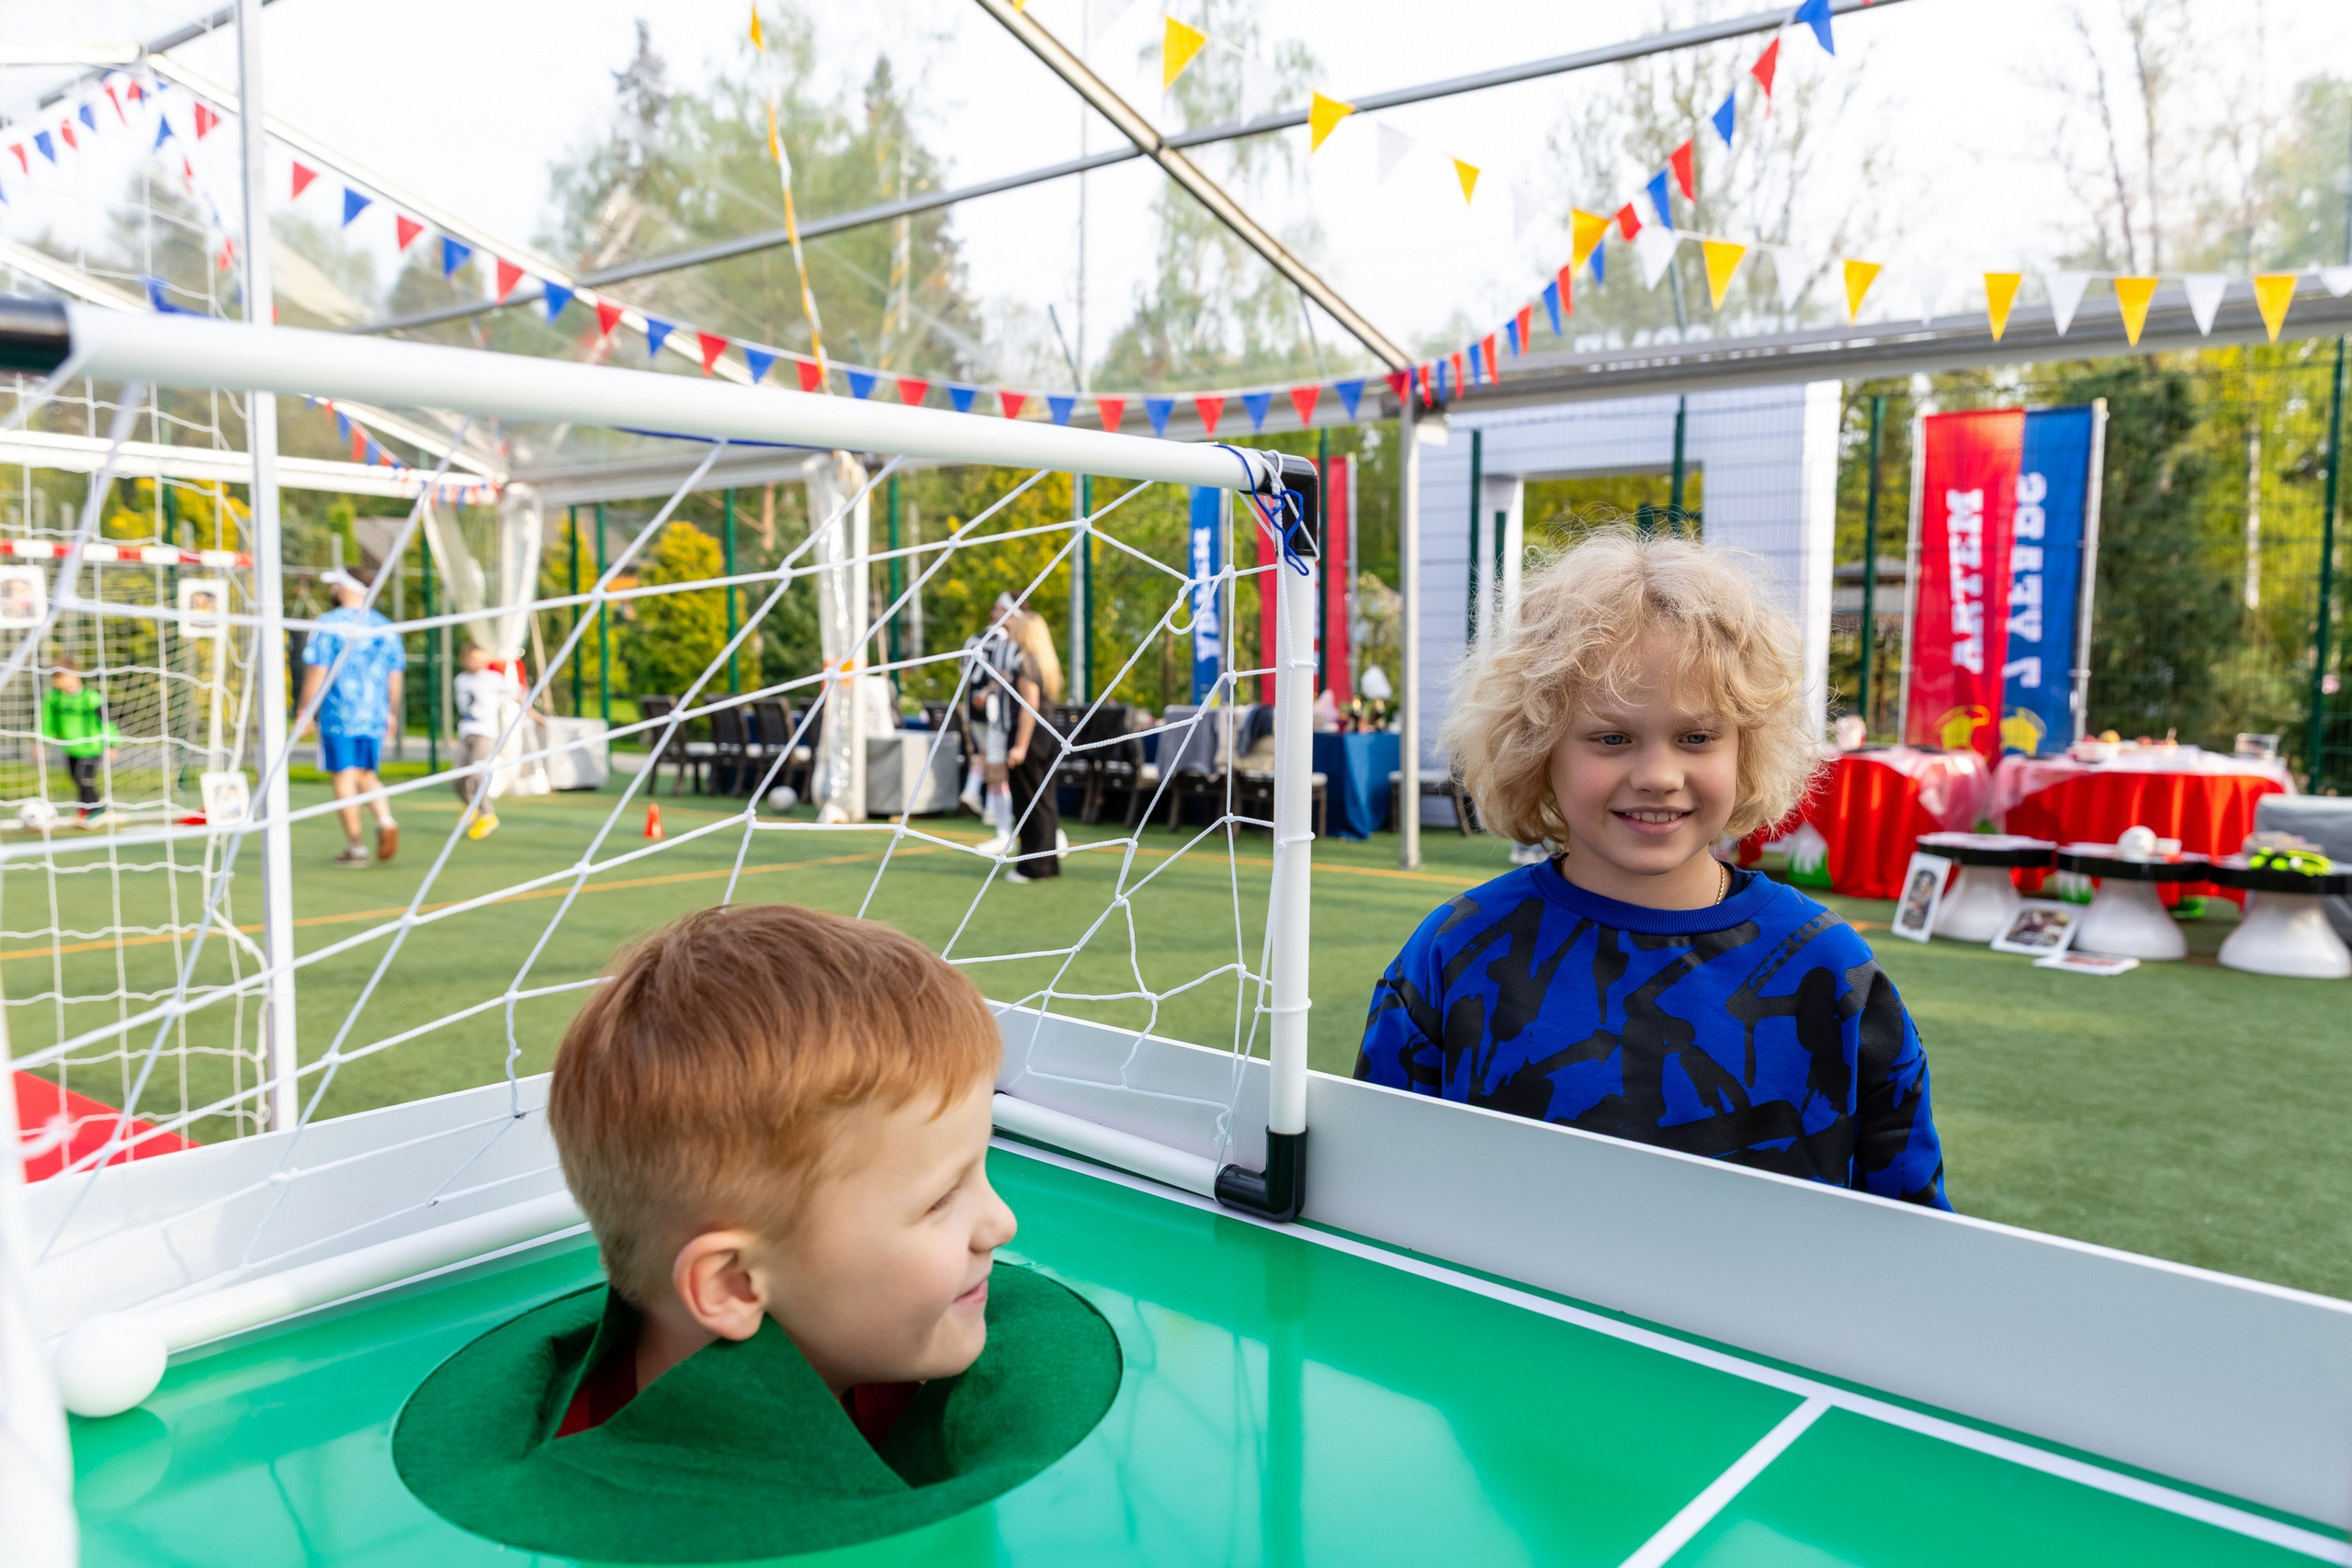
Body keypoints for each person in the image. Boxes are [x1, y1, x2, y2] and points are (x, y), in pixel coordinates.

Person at [1355, 528, 1949, 1208]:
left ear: (1747, 747)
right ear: (1538, 746)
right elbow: (1378, 1199)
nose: (1660, 775)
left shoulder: (1829, 970)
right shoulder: (1453, 953)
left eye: (1697, 737)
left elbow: (1916, 1234)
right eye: (1612, 737)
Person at [546, 903, 1014, 1440]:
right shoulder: (608, 1503)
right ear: (734, 1282)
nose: (1003, 1223)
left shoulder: (870, 1354)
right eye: (939, 1200)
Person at [296, 568, 405, 867]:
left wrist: (305, 710)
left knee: (344, 775)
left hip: (339, 713)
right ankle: (385, 819)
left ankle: (355, 846)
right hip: (373, 713)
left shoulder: (329, 624)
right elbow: (395, 676)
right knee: (365, 773)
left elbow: (318, 669)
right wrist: (391, 712)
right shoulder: (385, 627)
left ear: (348, 588)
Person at [998, 604, 1065, 883]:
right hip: (1047, 735)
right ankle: (1046, 863)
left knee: (1029, 801)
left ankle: (1032, 866)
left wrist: (1020, 746)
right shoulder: (1044, 663)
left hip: (1030, 736)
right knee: (1044, 801)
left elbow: (1029, 706)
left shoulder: (1025, 661)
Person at [451, 642, 539, 841]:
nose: (479, 663)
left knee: (475, 773)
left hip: (485, 732)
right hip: (466, 732)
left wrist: (532, 713)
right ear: (464, 660)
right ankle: (471, 805)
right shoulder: (460, 680)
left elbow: (517, 693)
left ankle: (487, 814)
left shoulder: (492, 679)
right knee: (457, 776)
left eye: (482, 658)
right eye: (474, 658)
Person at [39, 658, 118, 826]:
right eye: (55, 678)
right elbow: (47, 722)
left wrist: (111, 744)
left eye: (61, 677)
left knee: (84, 777)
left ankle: (96, 810)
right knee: (75, 778)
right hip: (71, 747)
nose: (58, 682)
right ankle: (85, 808)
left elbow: (106, 721)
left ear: (74, 675)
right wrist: (42, 742)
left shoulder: (90, 697)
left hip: (92, 746)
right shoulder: (53, 698)